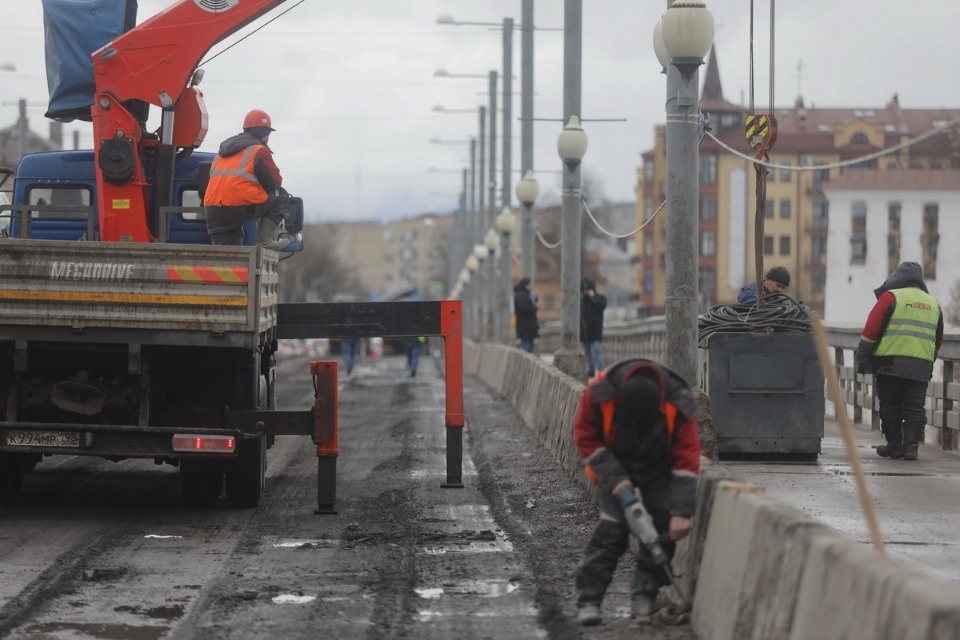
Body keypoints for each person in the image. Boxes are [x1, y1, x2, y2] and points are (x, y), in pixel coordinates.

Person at [572, 358, 701, 626]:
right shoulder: (600, 392)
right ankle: (589, 599)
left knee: (662, 526)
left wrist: (682, 513)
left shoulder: (678, 401)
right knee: (613, 530)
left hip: (657, 466)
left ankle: (643, 596)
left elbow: (687, 461)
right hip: (616, 461)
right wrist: (615, 479)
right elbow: (586, 437)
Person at [855, 261, 943, 461]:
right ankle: (911, 448)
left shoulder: (891, 296)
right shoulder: (933, 304)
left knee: (890, 405)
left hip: (891, 364)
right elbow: (938, 340)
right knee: (914, 406)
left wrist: (863, 357)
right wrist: (929, 359)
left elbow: (871, 330)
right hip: (920, 366)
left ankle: (894, 446)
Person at [202, 109, 292, 250]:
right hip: (237, 208)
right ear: (265, 134)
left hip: (213, 213)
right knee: (281, 195)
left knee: (228, 260)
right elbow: (275, 183)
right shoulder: (258, 150)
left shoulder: (220, 154)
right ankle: (264, 241)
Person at [580, 278, 607, 377]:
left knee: (597, 349)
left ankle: (601, 370)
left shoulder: (599, 298)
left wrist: (593, 296)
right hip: (584, 331)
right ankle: (590, 369)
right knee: (587, 352)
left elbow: (602, 305)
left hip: (596, 330)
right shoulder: (582, 301)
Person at [513, 276, 539, 353]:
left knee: (527, 349)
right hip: (526, 328)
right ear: (527, 285)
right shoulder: (522, 295)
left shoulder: (521, 294)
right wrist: (534, 307)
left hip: (525, 328)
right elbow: (523, 310)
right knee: (526, 350)